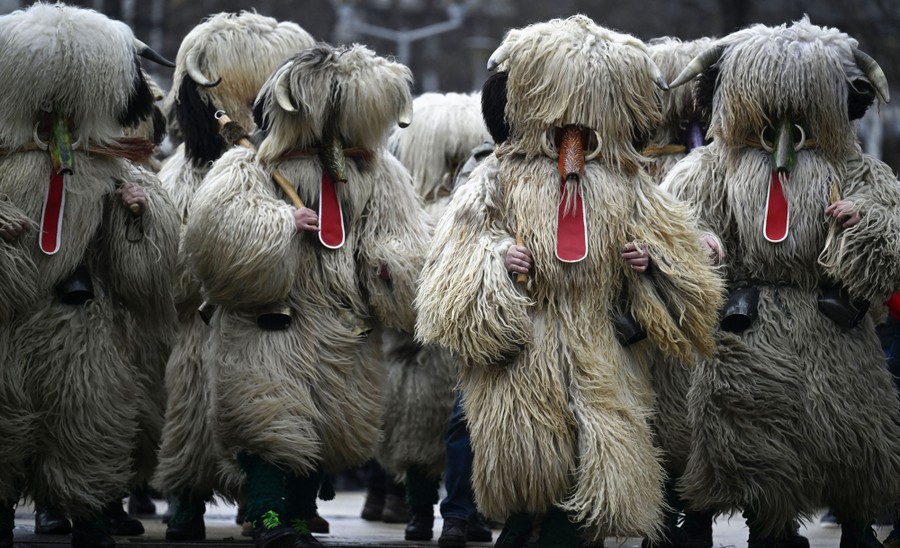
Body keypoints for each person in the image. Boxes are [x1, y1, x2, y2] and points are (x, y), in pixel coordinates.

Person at [416, 15, 725, 548]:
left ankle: (558, 534)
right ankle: (519, 527)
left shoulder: (628, 184)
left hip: (598, 343)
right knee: (528, 456)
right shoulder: (498, 175)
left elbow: (679, 256)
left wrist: (650, 263)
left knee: (589, 457)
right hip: (525, 342)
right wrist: (495, 259)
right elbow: (456, 249)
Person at [663, 17, 900, 548]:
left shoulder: (853, 165)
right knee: (752, 433)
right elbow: (677, 222)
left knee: (851, 429)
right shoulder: (717, 166)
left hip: (831, 322)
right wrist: (699, 245)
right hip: (750, 324)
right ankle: (768, 528)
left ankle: (858, 525)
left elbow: (892, 225)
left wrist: (863, 223)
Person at [183, 43, 429, 547]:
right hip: (272, 324)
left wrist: (387, 264)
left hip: (344, 327)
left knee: (326, 431)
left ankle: (296, 521)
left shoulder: (381, 176)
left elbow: (403, 238)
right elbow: (216, 236)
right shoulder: (248, 166)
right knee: (270, 425)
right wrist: (280, 222)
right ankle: (269, 522)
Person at [0, 5, 179, 547]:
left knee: (88, 422)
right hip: (9, 320)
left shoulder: (111, 165)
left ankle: (91, 514)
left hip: (81, 322)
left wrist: (138, 214)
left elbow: (144, 277)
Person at [152, 11, 317, 542]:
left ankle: (272, 509)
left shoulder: (293, 170)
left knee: (275, 416)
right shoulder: (185, 172)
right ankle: (186, 504)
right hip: (202, 325)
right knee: (193, 411)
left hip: (271, 320)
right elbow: (175, 258)